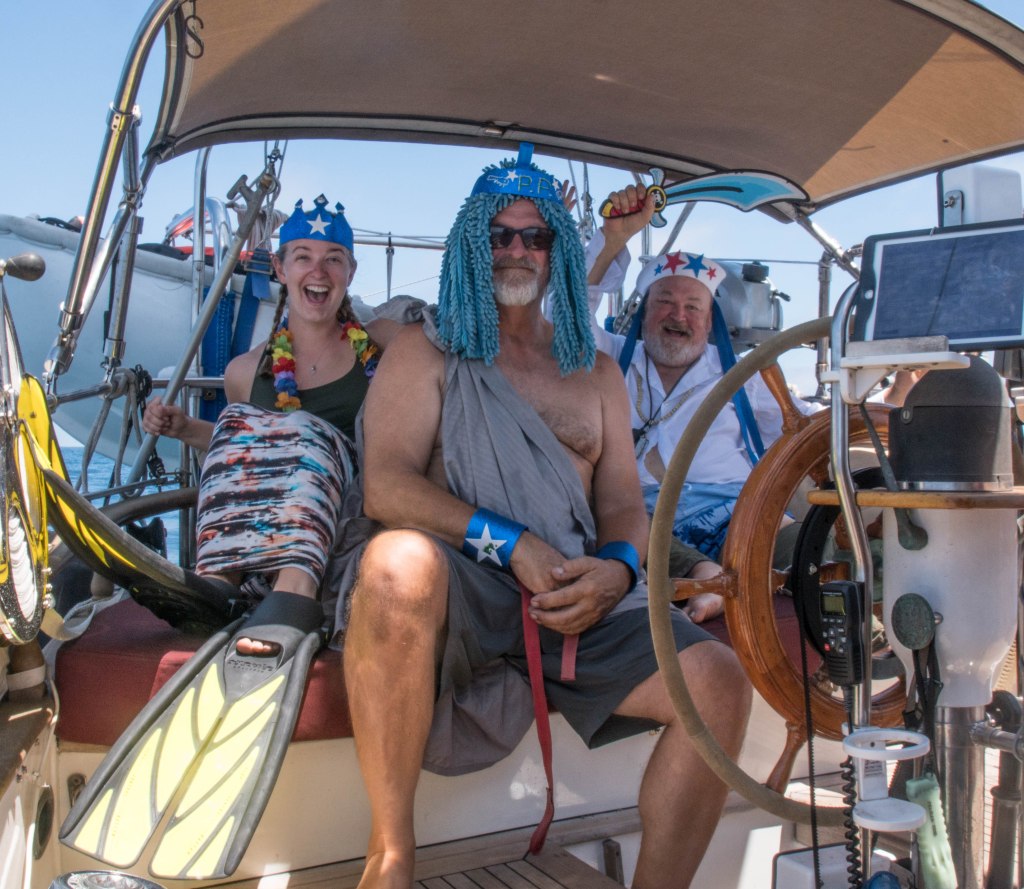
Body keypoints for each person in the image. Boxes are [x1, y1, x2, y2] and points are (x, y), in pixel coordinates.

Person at [341, 146, 751, 889]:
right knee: (396, 562)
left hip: (572, 589)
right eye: (499, 234)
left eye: (536, 236)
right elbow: (386, 488)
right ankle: (390, 856)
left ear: (559, 250)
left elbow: (622, 503)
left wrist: (618, 569)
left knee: (717, 680)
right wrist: (509, 543)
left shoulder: (596, 372)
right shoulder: (426, 351)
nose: (518, 249)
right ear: (473, 244)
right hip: (463, 587)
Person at [142, 195, 397, 616]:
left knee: (302, 429)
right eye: (303, 257)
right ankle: (217, 582)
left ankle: (295, 590)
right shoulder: (244, 371)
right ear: (280, 269)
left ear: (350, 273)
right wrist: (185, 428)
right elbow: (248, 452)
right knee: (237, 420)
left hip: (346, 523)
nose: (318, 272)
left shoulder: (381, 343)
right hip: (266, 532)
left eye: (333, 260)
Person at [586, 185, 816, 577]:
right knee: (626, 531)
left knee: (815, 555)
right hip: (642, 518)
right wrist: (613, 238)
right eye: (664, 302)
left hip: (738, 514)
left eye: (693, 307)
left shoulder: (744, 375)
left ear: (710, 323)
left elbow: (806, 426)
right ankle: (705, 582)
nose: (679, 316)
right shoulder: (609, 357)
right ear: (643, 313)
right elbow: (565, 317)